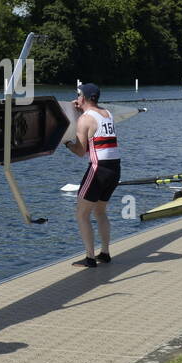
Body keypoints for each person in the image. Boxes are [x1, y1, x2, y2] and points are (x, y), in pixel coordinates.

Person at [64, 83, 120, 268]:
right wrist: (81, 109)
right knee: (100, 211)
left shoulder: (85, 119)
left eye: (78, 95)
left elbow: (81, 151)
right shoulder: (107, 113)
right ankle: (105, 253)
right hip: (114, 168)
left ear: (84, 98)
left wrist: (66, 143)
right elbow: (95, 127)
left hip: (98, 170)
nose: (77, 98)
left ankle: (89, 258)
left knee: (81, 214)